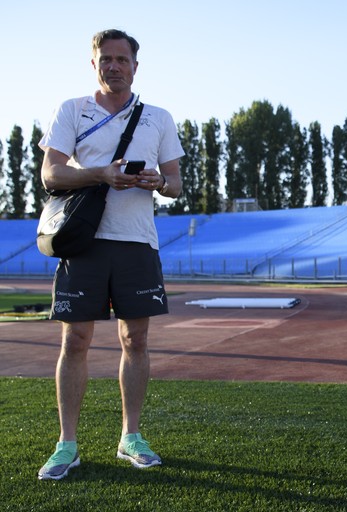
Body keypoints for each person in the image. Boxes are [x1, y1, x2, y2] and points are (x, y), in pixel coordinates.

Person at [38, 29, 184, 480]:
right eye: (106, 58)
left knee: (134, 340)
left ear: (135, 67)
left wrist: (154, 182)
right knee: (75, 341)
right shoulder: (72, 110)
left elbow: (176, 185)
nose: (114, 66)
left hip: (137, 241)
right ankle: (67, 445)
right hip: (83, 241)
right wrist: (99, 174)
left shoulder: (157, 117)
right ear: (94, 64)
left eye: (123, 59)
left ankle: (131, 437)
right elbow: (51, 173)